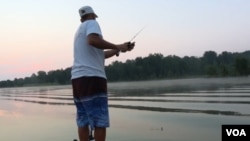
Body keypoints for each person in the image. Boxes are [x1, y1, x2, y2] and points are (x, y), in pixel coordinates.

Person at [71, 6, 135, 141]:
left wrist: (119, 49)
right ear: (93, 15)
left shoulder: (79, 32)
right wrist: (117, 46)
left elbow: (100, 55)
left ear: (81, 18)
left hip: (77, 80)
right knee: (100, 120)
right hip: (92, 78)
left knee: (83, 120)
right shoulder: (92, 23)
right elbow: (93, 40)